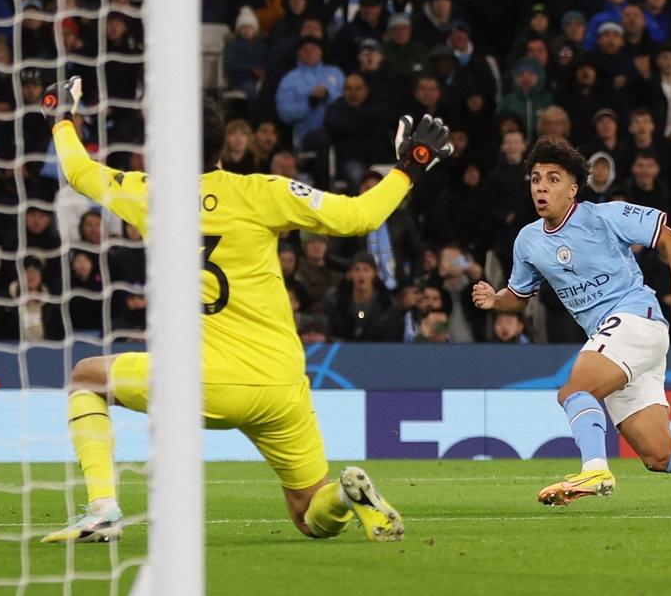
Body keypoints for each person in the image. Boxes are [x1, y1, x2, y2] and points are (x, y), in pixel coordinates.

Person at [40, 77, 452, 544]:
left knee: (86, 378)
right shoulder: (264, 191)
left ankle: (103, 510)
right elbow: (359, 217)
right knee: (309, 515)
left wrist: (61, 118)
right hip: (281, 382)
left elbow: (76, 171)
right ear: (222, 149)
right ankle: (343, 495)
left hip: (203, 381)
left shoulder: (146, 192)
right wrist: (409, 166)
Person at [471, 136, 671, 510]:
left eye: (553, 178)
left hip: (636, 319)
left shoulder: (605, 215)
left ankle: (594, 469)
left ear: (573, 189)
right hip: (618, 342)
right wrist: (495, 300)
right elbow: (519, 297)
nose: (541, 186)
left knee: (574, 392)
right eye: (535, 179)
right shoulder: (527, 240)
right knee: (660, 455)